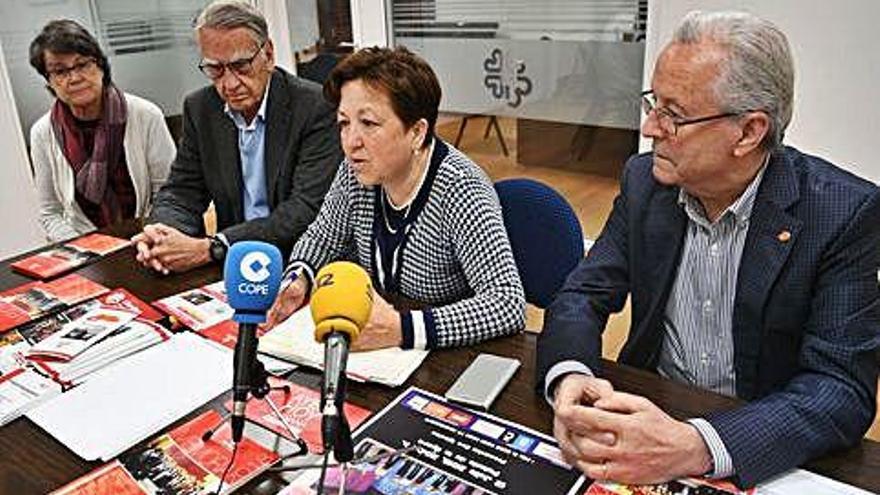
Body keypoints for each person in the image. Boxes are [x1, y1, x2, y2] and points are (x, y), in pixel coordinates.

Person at [537, 11, 880, 488]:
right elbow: (582, 295)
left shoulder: (843, 213)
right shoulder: (645, 182)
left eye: (674, 115)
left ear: (748, 132)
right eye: (653, 103)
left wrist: (697, 446)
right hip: (646, 411)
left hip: (758, 439)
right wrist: (569, 379)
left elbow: (841, 389)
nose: (651, 127)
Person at [265, 46, 524, 351]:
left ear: (416, 132)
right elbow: (323, 238)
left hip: (447, 355)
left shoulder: (460, 187)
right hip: (378, 347)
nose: (351, 142)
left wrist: (403, 329)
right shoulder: (356, 171)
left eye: (369, 124)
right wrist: (298, 278)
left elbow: (507, 304)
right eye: (344, 123)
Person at [132, 0, 341, 273]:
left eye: (241, 65)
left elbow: (304, 209)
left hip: (297, 262)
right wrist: (161, 236)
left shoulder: (315, 107)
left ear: (268, 54)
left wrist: (215, 246)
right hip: (231, 267)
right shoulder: (200, 108)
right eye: (215, 69)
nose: (229, 84)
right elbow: (181, 191)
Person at [28, 20, 175, 242]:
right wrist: (86, 250)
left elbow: (168, 194)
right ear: (49, 81)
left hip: (150, 239)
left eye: (82, 65)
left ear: (101, 66)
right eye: (60, 71)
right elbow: (51, 211)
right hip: (87, 250)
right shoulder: (42, 133)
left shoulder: (145, 115)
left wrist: (147, 238)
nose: (75, 78)